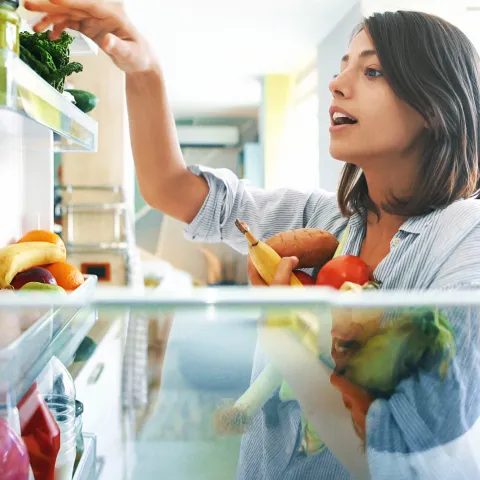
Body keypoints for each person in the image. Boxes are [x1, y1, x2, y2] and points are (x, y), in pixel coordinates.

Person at [25, 2, 480, 478]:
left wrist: (286, 332)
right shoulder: (326, 219)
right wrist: (145, 68)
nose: (336, 83)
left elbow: (401, 453)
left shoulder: (463, 241)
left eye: (371, 71)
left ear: (433, 105)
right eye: (343, 64)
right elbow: (169, 188)